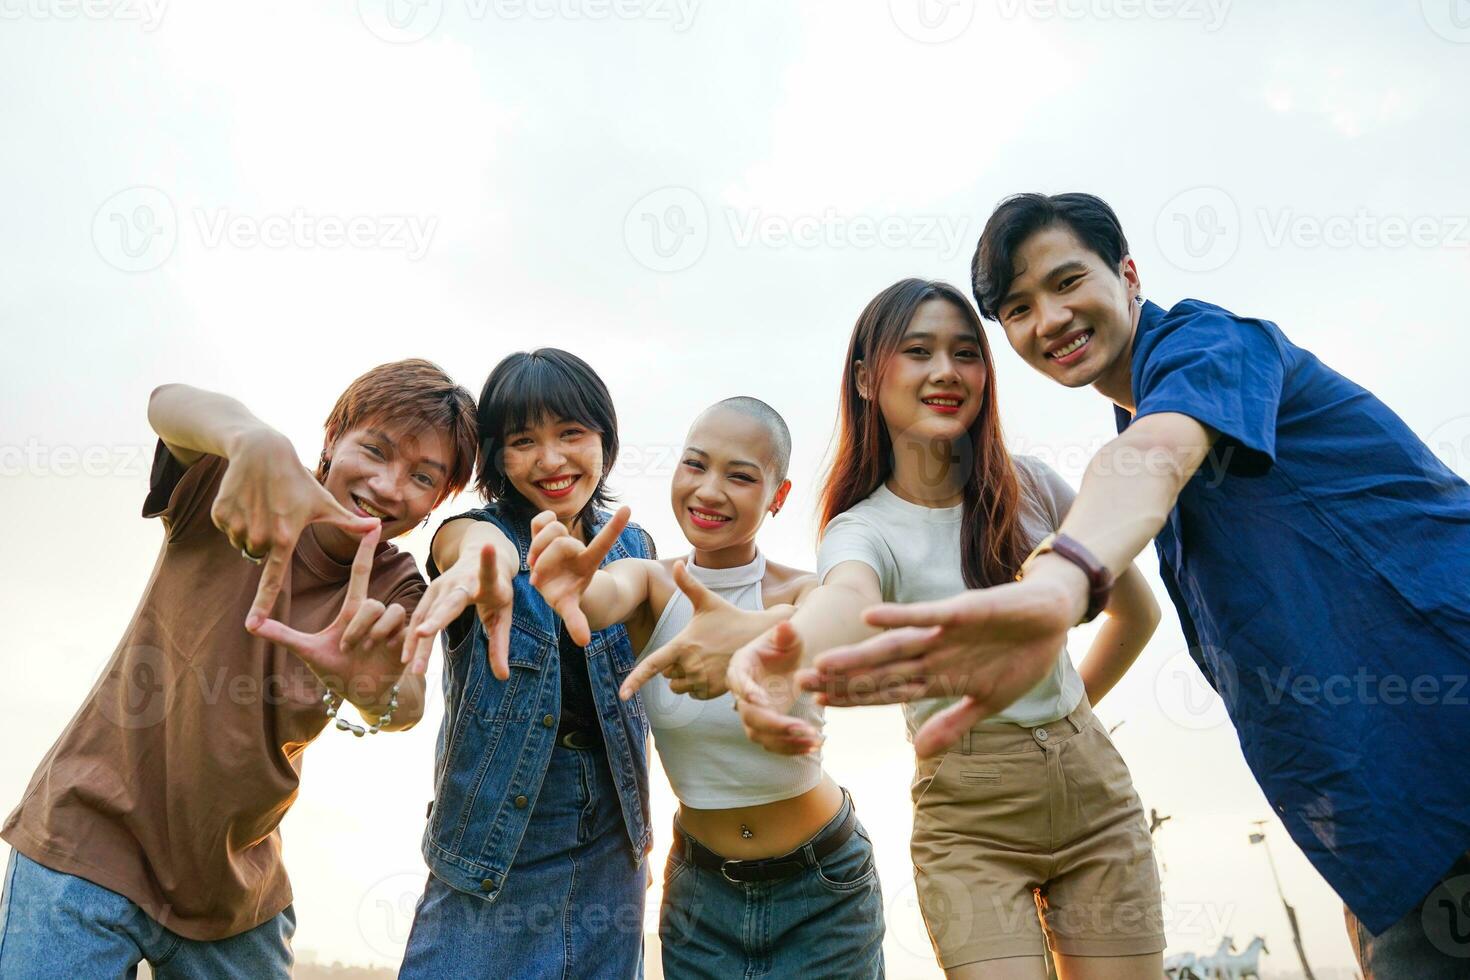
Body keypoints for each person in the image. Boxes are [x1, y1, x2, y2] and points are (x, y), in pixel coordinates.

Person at [806, 193, 1470, 979]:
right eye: (1018, 309)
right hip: (1383, 830)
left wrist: (1060, 584)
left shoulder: (1211, 347)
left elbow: (1152, 458)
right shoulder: (1130, 416)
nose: (1048, 319)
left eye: (1065, 283)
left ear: (1127, 273)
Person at [728, 280, 1164, 979]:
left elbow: (1137, 615)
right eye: (919, 351)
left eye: (966, 353)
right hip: (969, 824)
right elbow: (845, 600)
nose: (945, 372)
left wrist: (1060, 715)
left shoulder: (1037, 488)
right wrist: (784, 655)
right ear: (868, 378)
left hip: (1096, 798)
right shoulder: (861, 529)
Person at [0, 360, 478, 977]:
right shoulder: (240, 482)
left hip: (235, 892)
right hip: (87, 845)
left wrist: (369, 685)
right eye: (375, 450)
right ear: (333, 439)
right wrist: (251, 439)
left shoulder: (398, 587)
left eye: (421, 477)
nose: (389, 485)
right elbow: (166, 401)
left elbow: (404, 704)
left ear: (440, 500)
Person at [527, 396, 886, 978]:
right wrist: (571, 581)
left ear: (779, 495)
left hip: (823, 887)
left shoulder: (802, 593)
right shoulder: (649, 584)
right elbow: (600, 599)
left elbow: (838, 625)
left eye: (740, 476)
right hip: (702, 899)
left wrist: (758, 632)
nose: (710, 490)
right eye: (695, 464)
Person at [397, 348, 656, 979]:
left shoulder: (633, 544)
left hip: (612, 833)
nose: (550, 460)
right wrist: (477, 571)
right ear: (496, 455)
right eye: (522, 440)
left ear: (604, 438)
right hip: (498, 831)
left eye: (571, 433)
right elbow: (471, 549)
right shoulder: (472, 533)